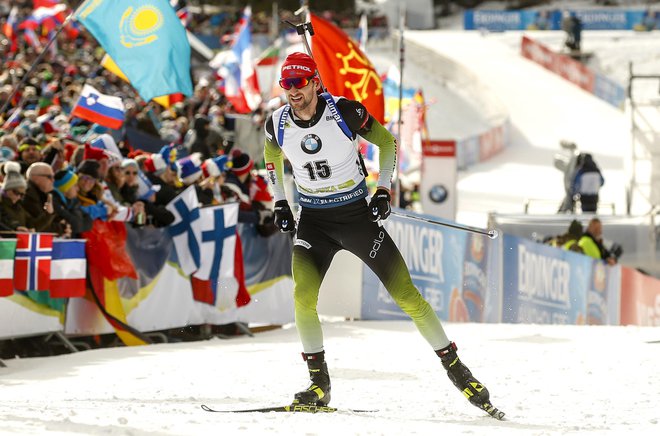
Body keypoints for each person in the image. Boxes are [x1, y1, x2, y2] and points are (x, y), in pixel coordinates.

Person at [262, 52, 499, 417]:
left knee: (406, 296)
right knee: (303, 298)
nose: (292, 90)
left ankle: (457, 370)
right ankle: (318, 384)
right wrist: (280, 202)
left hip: (355, 216)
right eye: (286, 83)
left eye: (299, 82)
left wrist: (384, 189)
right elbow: (271, 157)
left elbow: (387, 143)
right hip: (314, 221)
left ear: (315, 83)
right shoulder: (276, 122)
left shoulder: (344, 112)